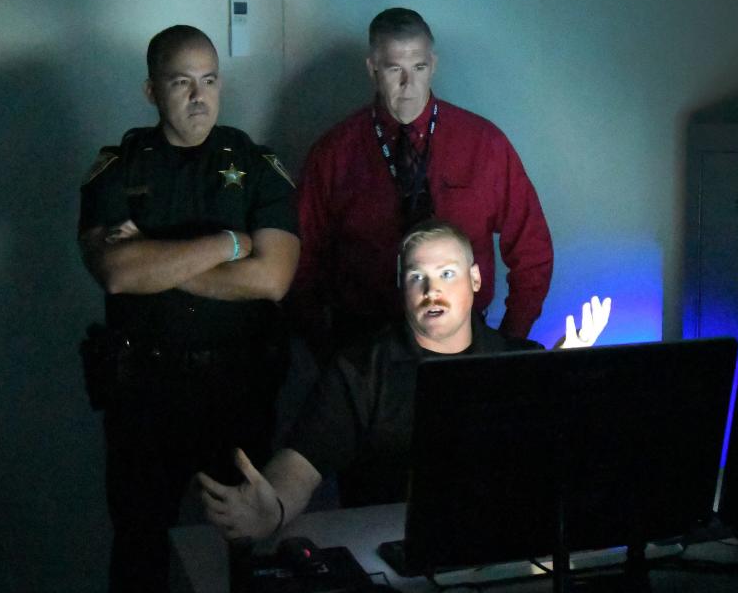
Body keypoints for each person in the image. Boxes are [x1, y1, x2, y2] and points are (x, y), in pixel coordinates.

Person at [77, 25, 299, 593]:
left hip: (237, 390)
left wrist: (160, 260)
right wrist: (229, 244)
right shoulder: (117, 168)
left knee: (245, 553)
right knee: (139, 553)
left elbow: (273, 279)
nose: (199, 97)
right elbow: (118, 273)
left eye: (209, 80)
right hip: (143, 396)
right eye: (181, 83)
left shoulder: (256, 165)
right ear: (152, 91)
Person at [197, 220, 608, 541]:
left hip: (504, 550)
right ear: (401, 288)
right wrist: (275, 509)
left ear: (476, 280)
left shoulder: (520, 362)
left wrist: (565, 384)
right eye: (417, 277)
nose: (432, 290)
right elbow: (303, 461)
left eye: (447, 274)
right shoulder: (361, 369)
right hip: (392, 554)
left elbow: (560, 471)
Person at [290, 7, 553, 355]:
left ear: (433, 65)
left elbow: (532, 249)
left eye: (418, 68)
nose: (408, 85)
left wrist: (506, 342)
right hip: (364, 344)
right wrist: (325, 348)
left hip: (464, 341)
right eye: (395, 69)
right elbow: (304, 259)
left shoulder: (483, 144)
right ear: (372, 70)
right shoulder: (334, 153)